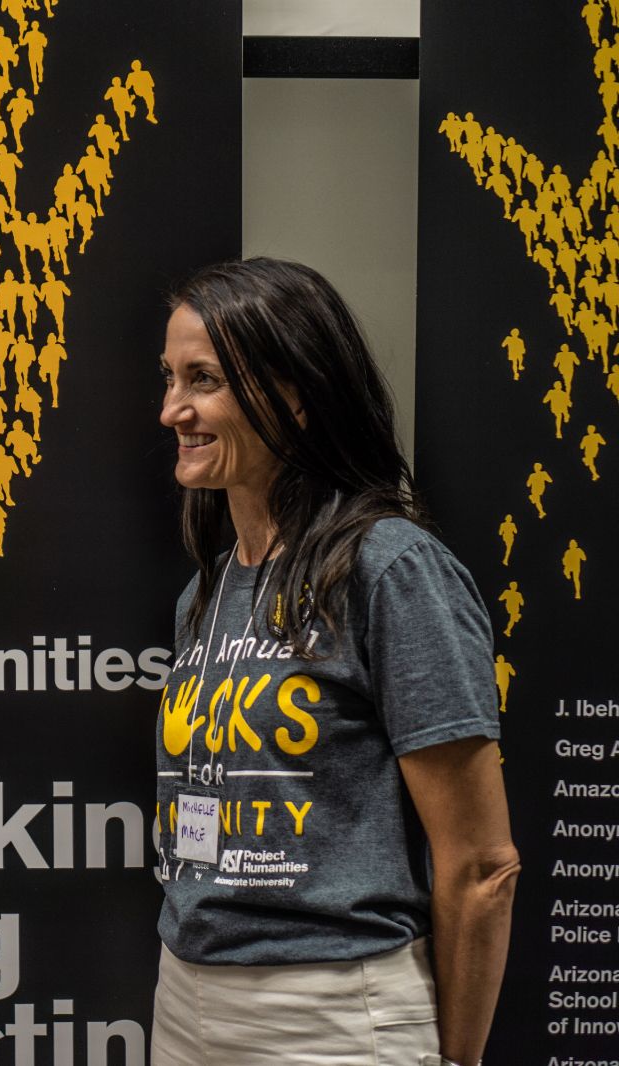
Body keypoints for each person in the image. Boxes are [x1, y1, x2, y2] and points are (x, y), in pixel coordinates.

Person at [150, 258, 517, 1066]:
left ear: (295, 400)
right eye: (172, 378)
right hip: (186, 999)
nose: (173, 409)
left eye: (203, 380)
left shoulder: (389, 569)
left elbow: (482, 865)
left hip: (331, 1016)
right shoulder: (205, 594)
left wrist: (453, 1060)